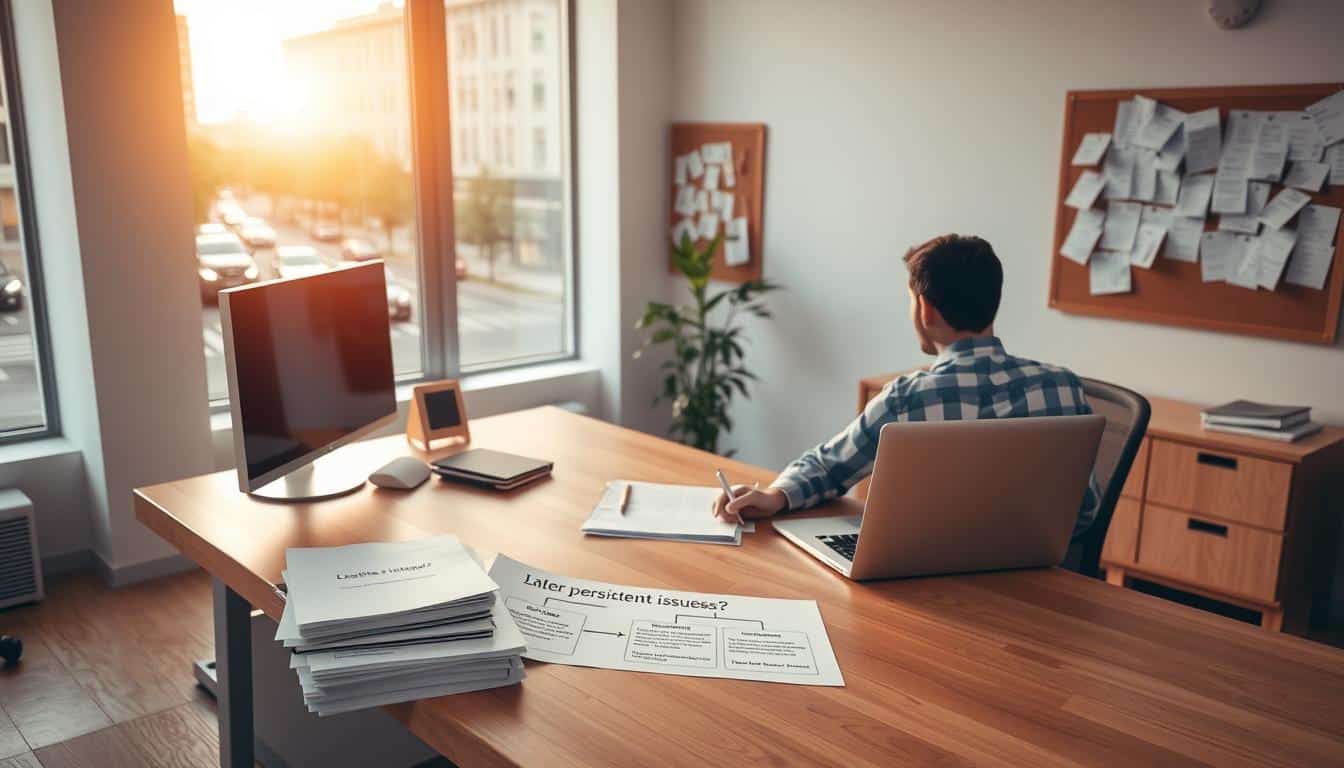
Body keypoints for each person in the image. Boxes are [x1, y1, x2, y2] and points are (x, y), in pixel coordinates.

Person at [712, 234, 1100, 537]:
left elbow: (830, 468)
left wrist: (776, 495)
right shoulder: (1062, 386)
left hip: (925, 586)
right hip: (1036, 587)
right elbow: (1084, 509)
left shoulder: (909, 398)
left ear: (925, 309)